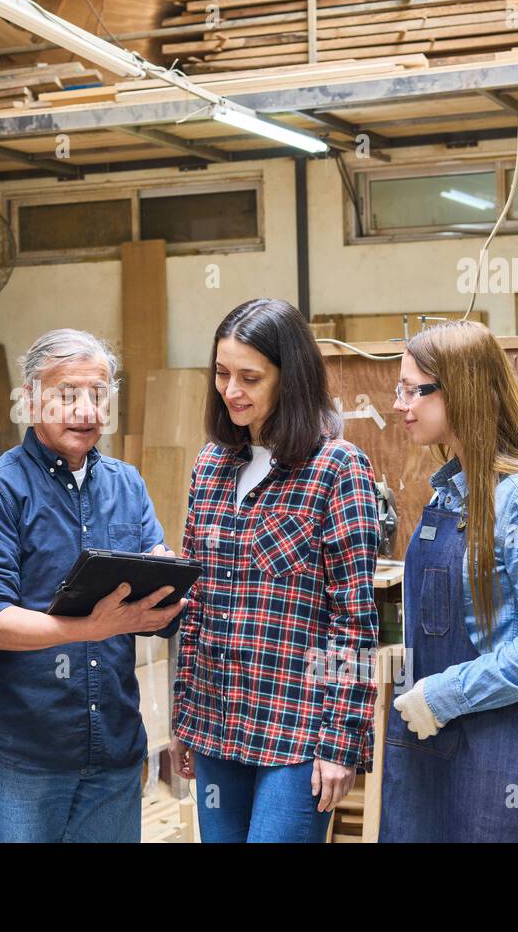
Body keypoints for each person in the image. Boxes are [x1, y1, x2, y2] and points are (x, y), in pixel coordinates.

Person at [0, 328, 183, 843]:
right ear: (30, 399)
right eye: (68, 394)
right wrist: (90, 627)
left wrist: (165, 585)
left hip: (114, 752)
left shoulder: (127, 485)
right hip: (22, 757)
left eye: (98, 395)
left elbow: (153, 585)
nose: (86, 410)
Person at [169, 298, 380, 843]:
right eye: (221, 373)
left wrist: (341, 741)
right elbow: (197, 607)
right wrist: (184, 718)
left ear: (291, 379)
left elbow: (353, 621)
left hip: (298, 731)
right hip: (216, 725)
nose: (231, 390)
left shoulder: (337, 468)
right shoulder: (211, 466)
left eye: (249, 377)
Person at [379, 319, 518, 843]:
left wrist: (446, 693)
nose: (401, 404)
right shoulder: (447, 496)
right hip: (447, 744)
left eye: (413, 390)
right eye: (399, 389)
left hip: (511, 754)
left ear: (461, 391)